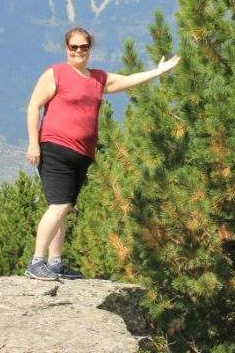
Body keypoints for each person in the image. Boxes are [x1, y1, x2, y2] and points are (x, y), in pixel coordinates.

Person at [24, 27, 180, 280]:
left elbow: (128, 80)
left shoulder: (97, 78)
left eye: (83, 47)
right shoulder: (56, 73)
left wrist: (158, 71)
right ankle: (36, 262)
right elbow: (34, 105)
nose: (78, 51)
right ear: (66, 48)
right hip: (55, 148)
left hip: (82, 153)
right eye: (73, 47)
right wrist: (34, 143)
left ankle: (54, 262)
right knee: (58, 205)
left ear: (89, 48)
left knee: (64, 208)